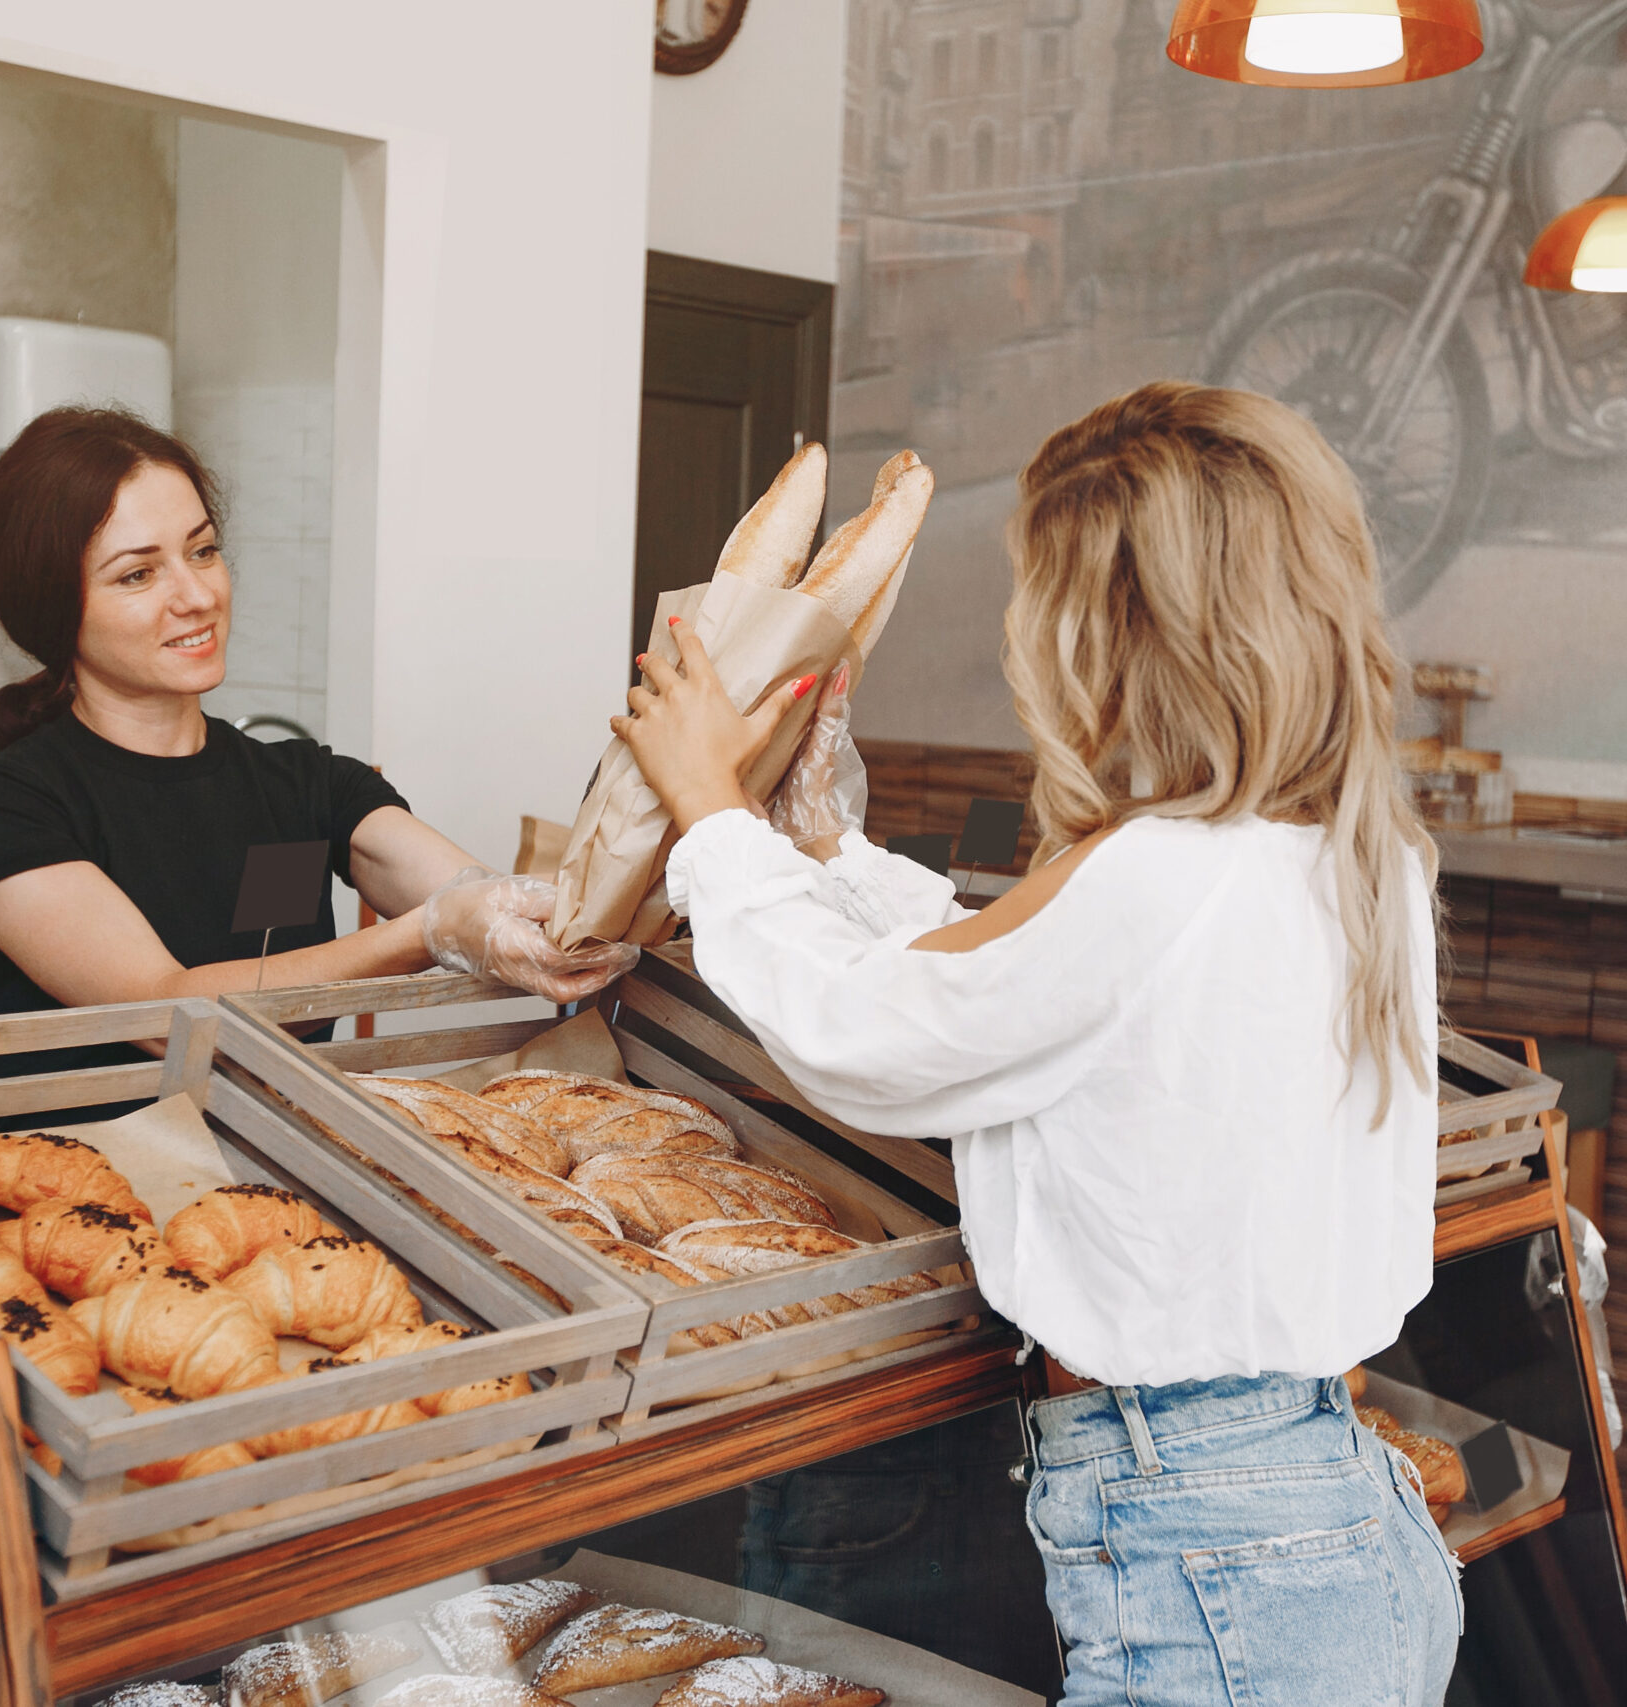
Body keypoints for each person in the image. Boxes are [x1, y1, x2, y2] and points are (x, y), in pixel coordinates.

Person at [611, 382, 1463, 1705]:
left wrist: (713, 812)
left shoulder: (1154, 878)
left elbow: (864, 1031)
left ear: (1112, 632)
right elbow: (1003, 968)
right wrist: (822, 845)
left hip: (1206, 1551)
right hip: (1331, 1510)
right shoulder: (1353, 858)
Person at [0, 408, 631, 1068]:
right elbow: (161, 1009)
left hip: (287, 1175)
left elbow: (477, 895)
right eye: (138, 573)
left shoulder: (306, 784)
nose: (196, 594)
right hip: (81, 1187)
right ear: (51, 605)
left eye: (202, 551)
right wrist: (427, 932)